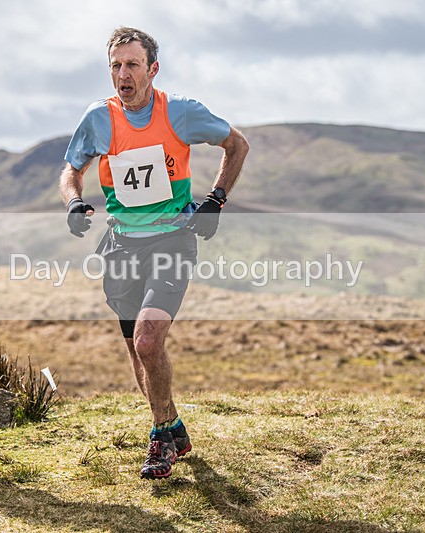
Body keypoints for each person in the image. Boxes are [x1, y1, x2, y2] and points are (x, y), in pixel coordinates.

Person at [59, 27, 249, 479]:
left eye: (132, 65)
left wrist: (216, 199)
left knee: (148, 340)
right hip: (121, 244)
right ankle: (172, 426)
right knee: (136, 351)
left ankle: (160, 441)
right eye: (116, 66)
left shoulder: (179, 112)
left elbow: (236, 144)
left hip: (171, 240)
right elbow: (71, 168)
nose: (123, 75)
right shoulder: (99, 118)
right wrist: (73, 201)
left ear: (152, 70)